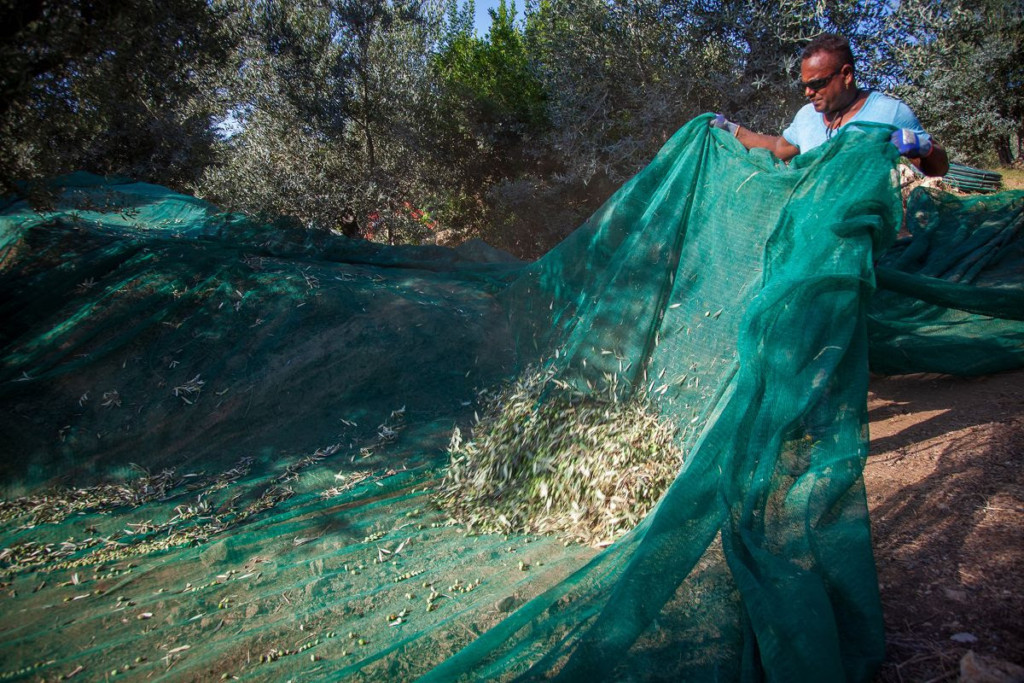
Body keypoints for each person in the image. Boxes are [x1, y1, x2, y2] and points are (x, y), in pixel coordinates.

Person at [712, 34, 950, 177]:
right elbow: (778, 146)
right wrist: (733, 131)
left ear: (846, 75)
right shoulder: (806, 116)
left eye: (817, 84)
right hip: (812, 227)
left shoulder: (889, 112)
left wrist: (923, 148)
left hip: (859, 233)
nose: (808, 92)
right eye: (805, 85)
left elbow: (939, 168)